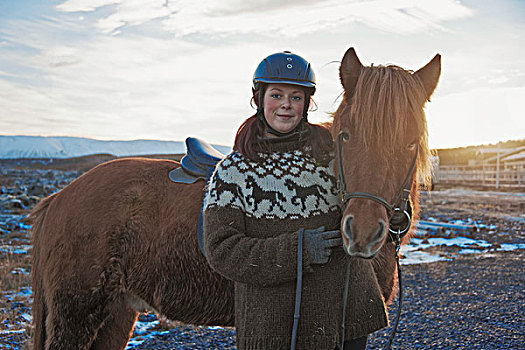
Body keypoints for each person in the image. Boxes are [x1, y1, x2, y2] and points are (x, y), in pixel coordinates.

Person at [203, 51, 388, 350]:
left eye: (296, 97)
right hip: (276, 327)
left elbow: (370, 191)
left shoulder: (332, 153)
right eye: (276, 95)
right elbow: (222, 251)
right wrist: (297, 251)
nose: (286, 105)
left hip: (345, 315)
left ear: (307, 104)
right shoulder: (233, 171)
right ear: (259, 98)